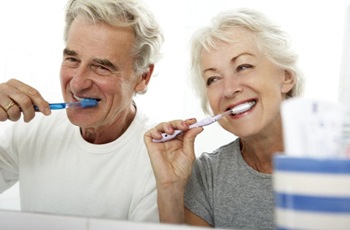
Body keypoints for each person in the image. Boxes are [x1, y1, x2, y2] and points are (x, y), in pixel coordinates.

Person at [0, 0, 163, 222]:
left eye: (102, 67)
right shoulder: (34, 128)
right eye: (72, 59)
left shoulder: (159, 161)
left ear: (143, 77)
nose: (77, 84)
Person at [144, 8, 304, 229]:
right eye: (213, 79)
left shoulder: (338, 158)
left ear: (286, 77)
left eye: (243, 66)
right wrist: (170, 188)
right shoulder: (206, 175)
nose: (228, 90)